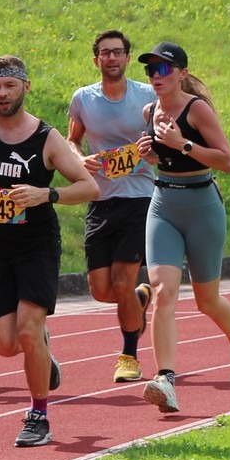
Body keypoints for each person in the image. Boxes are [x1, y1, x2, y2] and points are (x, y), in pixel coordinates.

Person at [0, 56, 99, 447]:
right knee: (5, 345)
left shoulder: (46, 138)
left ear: (26, 87)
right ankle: (42, 352)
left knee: (28, 329)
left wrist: (45, 194)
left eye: (10, 86)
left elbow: (89, 187)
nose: (2, 94)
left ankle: (39, 416)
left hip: (37, 246)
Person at [134, 42, 230, 412]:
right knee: (162, 291)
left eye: (164, 69)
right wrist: (152, 155)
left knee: (207, 300)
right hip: (163, 205)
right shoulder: (149, 111)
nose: (156, 76)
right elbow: (164, 159)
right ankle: (165, 380)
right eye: (151, 70)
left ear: (182, 73)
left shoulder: (197, 109)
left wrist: (182, 143)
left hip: (202, 207)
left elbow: (227, 161)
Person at [67, 30, 156, 382]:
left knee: (121, 281)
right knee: (102, 290)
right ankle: (139, 299)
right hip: (100, 200)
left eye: (118, 52)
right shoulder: (83, 99)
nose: (112, 58)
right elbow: (72, 140)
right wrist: (80, 160)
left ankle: (129, 356)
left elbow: (166, 134)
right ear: (96, 60)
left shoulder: (147, 96)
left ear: (128, 58)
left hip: (140, 198)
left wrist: (153, 149)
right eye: (105, 53)